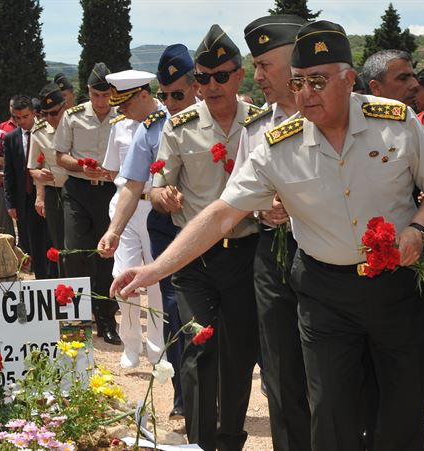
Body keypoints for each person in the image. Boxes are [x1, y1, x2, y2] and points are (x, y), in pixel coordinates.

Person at [112, 20, 424, 451]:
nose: (306, 93)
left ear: (348, 79)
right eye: (298, 82)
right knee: (331, 417)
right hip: (325, 297)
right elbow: (221, 214)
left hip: (395, 291)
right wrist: (154, 268)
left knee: (403, 412)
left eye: (318, 81)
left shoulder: (395, 121)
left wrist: (419, 229)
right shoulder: (277, 145)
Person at [146, 25, 261, 450]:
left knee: (238, 356)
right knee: (197, 348)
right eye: (202, 78)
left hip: (248, 253)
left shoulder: (264, 124)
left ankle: (229, 439)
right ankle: (199, 442)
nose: (210, 86)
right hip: (194, 258)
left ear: (239, 75)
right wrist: (163, 196)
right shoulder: (179, 127)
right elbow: (155, 186)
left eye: (220, 76)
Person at [98, 43, 197, 420]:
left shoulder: (223, 122)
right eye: (166, 95)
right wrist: (113, 230)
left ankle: (219, 389)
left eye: (178, 95)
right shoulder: (149, 130)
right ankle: (183, 396)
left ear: (195, 88)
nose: (170, 103)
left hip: (221, 237)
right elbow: (132, 186)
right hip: (168, 232)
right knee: (172, 308)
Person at [236, 14, 311, 451]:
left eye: (265, 65)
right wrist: (267, 206)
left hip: (331, 255)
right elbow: (239, 197)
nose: (257, 75)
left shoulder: (336, 115)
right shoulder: (257, 127)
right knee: (281, 368)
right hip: (273, 253)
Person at [100, 70, 165, 370]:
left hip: (156, 208)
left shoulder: (169, 122)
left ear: (143, 95)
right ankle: (131, 344)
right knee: (123, 276)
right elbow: (115, 171)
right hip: (125, 207)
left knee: (155, 280)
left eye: (124, 102)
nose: (120, 109)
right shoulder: (121, 127)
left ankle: (158, 347)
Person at [54, 62, 121, 345]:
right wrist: (83, 167)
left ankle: (106, 318)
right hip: (78, 190)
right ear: (89, 92)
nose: (101, 101)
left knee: (106, 255)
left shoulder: (122, 116)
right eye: (96, 95)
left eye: (106, 95)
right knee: (74, 252)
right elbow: (60, 156)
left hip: (109, 191)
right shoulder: (73, 116)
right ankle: (77, 320)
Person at [3, 92, 53, 280]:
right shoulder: (11, 138)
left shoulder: (47, 132)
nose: (21, 121)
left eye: (25, 117)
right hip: (25, 196)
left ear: (34, 113)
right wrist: (10, 203)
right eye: (16, 118)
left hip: (48, 193)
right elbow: (9, 173)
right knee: (32, 241)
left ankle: (54, 276)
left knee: (50, 237)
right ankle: (41, 278)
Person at [26, 85, 67, 277]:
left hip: (80, 189)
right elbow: (33, 166)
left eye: (55, 113)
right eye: (45, 114)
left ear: (65, 107)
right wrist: (39, 194)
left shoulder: (78, 125)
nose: (50, 118)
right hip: (55, 192)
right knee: (58, 243)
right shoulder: (39, 130)